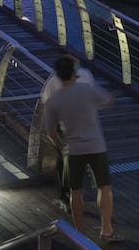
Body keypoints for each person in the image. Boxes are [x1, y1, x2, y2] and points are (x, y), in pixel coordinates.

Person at [40, 55, 117, 240]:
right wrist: (115, 94)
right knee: (104, 188)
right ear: (75, 73)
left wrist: (62, 146)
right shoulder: (86, 90)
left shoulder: (55, 100)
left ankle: (79, 232)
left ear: (57, 75)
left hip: (73, 149)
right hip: (96, 145)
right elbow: (107, 101)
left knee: (76, 191)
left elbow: (50, 131)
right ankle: (106, 229)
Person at [33, 54, 94, 208]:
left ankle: (67, 194)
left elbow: (46, 102)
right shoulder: (84, 76)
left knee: (66, 157)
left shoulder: (54, 80)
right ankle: (70, 193)